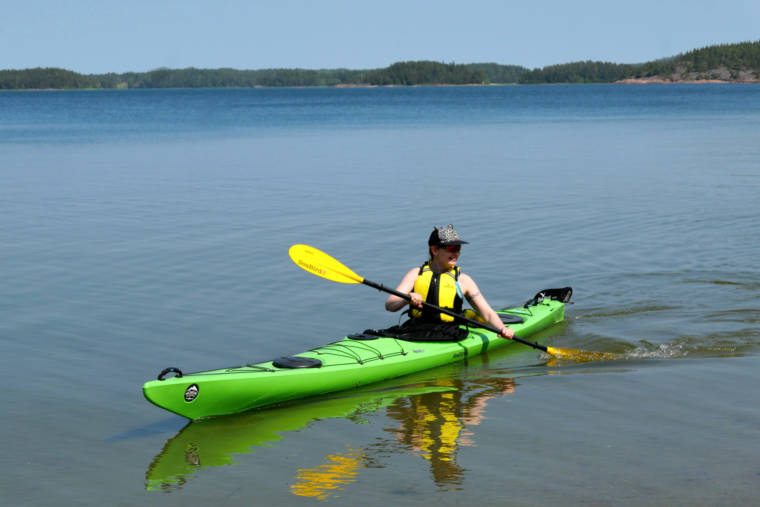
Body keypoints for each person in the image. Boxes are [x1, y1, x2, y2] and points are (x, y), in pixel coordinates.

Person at [385, 224, 515, 340]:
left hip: (448, 334)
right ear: (435, 250)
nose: (457, 253)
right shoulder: (415, 274)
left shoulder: (463, 280)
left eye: (458, 248)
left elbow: (487, 312)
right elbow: (390, 305)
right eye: (452, 248)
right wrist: (406, 299)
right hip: (414, 330)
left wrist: (502, 328)